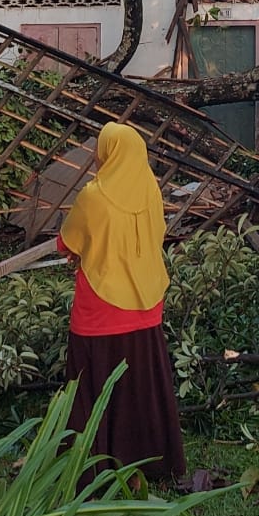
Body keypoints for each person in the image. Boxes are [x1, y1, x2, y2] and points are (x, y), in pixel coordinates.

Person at [58, 121, 185, 484]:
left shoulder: (94, 196)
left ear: (107, 153)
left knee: (91, 386)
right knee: (141, 385)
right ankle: (153, 464)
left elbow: (67, 243)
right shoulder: (151, 192)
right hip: (146, 307)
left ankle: (90, 469)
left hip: (101, 310)